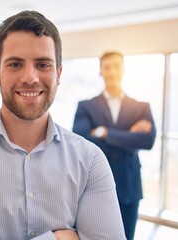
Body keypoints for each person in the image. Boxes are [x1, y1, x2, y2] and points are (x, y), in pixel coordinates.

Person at [0, 10, 125, 240]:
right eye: (16, 64)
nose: (30, 77)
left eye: (43, 65)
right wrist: (60, 238)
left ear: (58, 74)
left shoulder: (90, 161)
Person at [73, 51, 156, 240]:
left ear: (124, 69)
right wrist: (129, 137)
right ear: (100, 72)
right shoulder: (86, 106)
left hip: (129, 186)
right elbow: (81, 141)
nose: (112, 72)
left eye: (116, 66)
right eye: (107, 67)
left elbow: (147, 140)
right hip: (93, 185)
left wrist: (104, 133)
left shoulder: (141, 107)